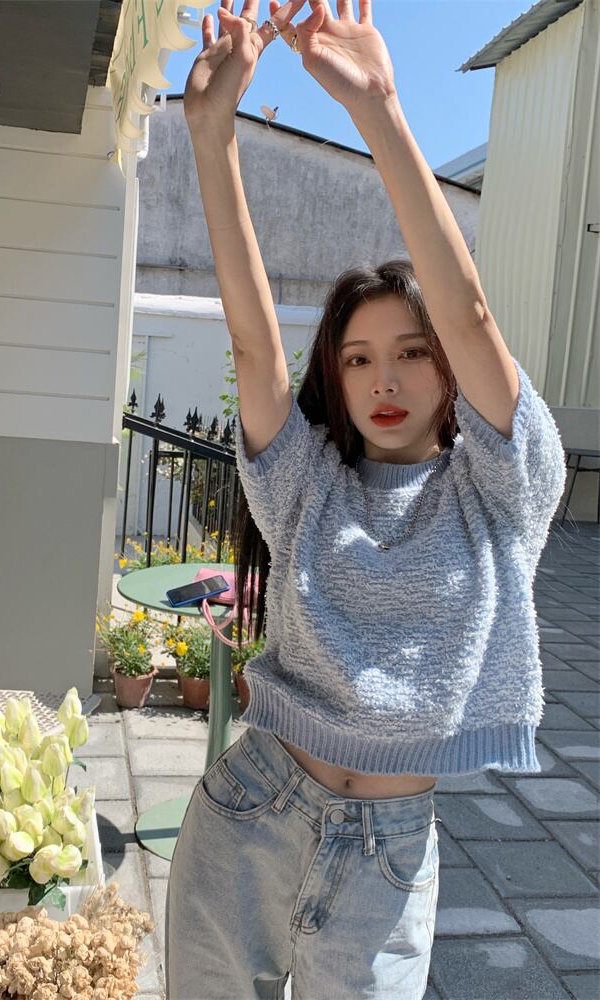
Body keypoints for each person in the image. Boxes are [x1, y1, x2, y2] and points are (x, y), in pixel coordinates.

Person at [164, 2, 568, 998]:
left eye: (411, 353)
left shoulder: (502, 489)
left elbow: (472, 312)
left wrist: (379, 108)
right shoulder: (306, 484)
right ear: (335, 380)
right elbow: (254, 344)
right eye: (356, 358)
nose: (384, 380)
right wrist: (211, 134)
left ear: (449, 366)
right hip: (251, 811)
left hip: (388, 857)